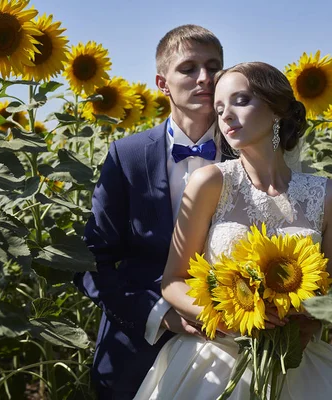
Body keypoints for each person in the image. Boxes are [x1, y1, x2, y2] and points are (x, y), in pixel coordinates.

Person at [134, 62, 332, 399]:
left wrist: (302, 321)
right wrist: (228, 318)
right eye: (219, 108)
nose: (227, 115)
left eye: (241, 101)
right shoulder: (209, 183)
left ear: (277, 109)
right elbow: (172, 282)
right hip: (213, 359)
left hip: (296, 364)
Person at [73, 25, 227, 399]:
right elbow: (91, 259)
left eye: (213, 67)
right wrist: (159, 315)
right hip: (138, 348)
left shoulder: (248, 153)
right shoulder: (127, 156)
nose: (204, 78)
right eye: (188, 68)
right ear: (162, 82)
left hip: (231, 343)